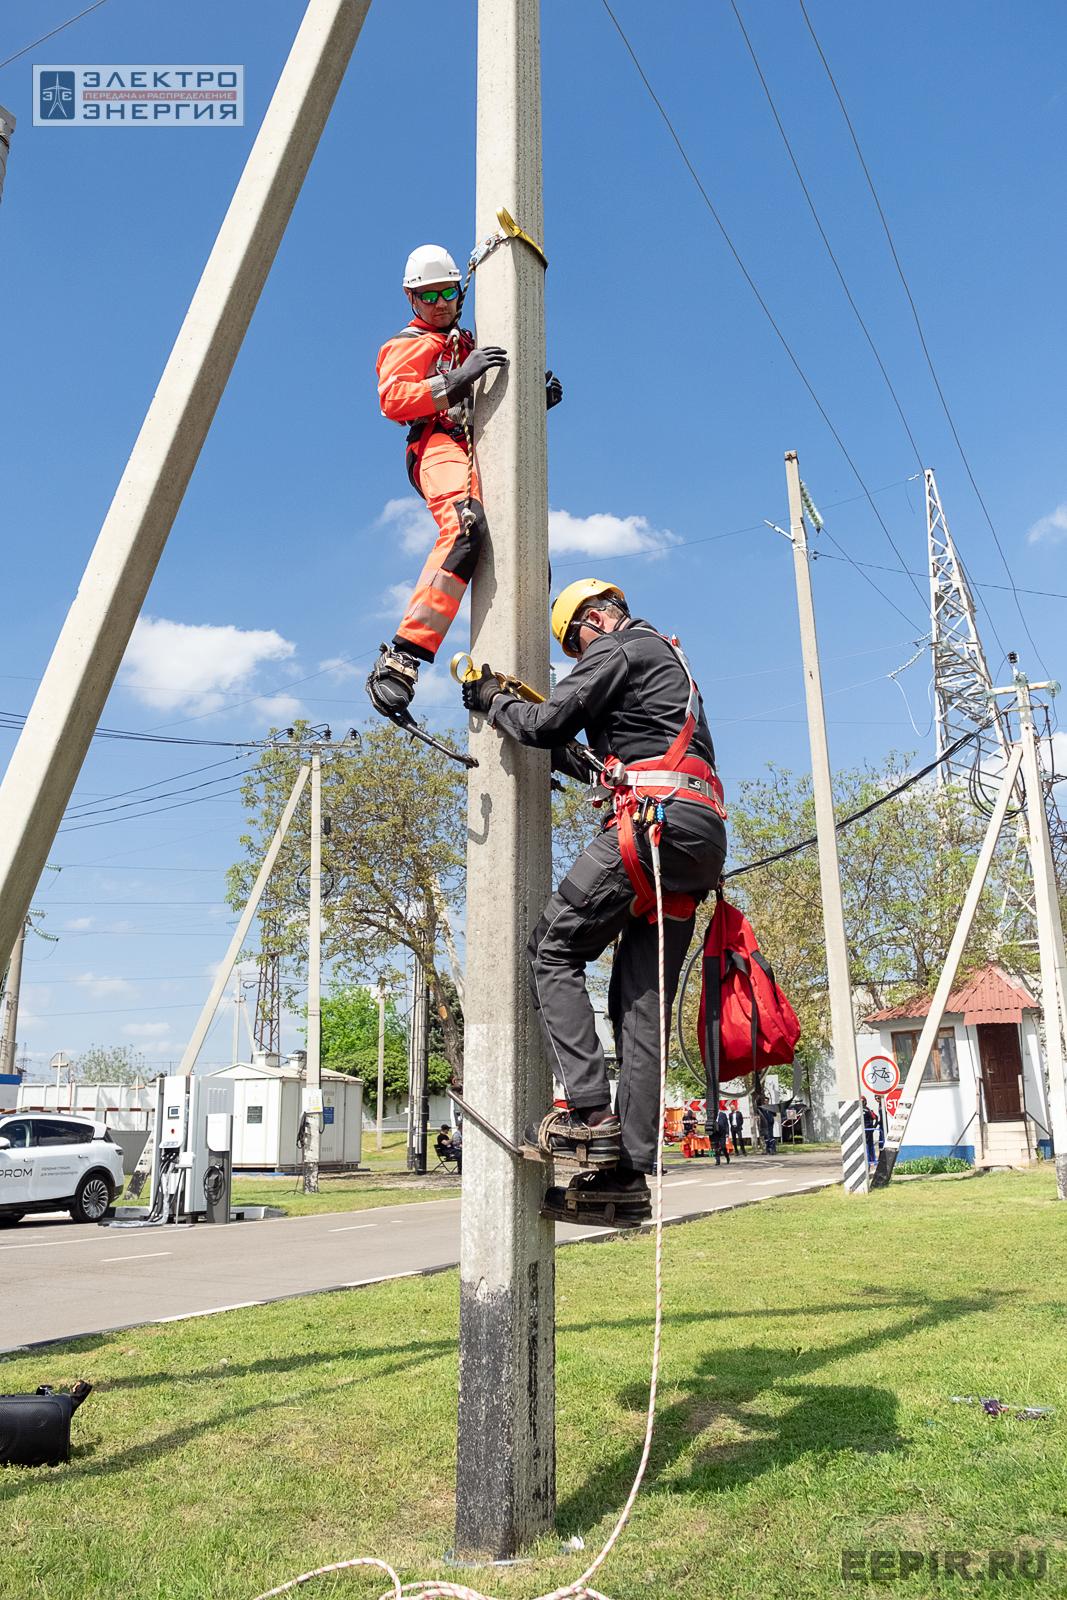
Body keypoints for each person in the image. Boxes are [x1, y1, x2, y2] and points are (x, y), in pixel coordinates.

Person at [461, 578, 727, 1227]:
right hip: (697, 838)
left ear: (596, 618)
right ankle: (623, 1175)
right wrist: (561, 744)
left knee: (552, 949)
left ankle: (588, 1115)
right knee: (639, 1003)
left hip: (653, 826)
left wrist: (492, 699)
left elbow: (546, 722)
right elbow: (598, 759)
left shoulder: (619, 647)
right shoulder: (666, 667)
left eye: (575, 646)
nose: (578, 659)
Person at [367, 244, 563, 719]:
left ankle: (536, 671)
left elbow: (488, 402)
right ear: (411, 298)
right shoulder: (407, 343)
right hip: (437, 443)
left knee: (523, 545)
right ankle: (403, 657)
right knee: (464, 526)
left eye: (447, 293)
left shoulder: (474, 339)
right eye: (428, 295)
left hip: (482, 445)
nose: (439, 303)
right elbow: (394, 400)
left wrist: (531, 400)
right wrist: (458, 378)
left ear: (460, 291)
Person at [712, 1099, 731, 1166]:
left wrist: (727, 1133)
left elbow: (726, 1124)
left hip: (722, 1133)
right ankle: (718, 1161)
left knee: (723, 1147)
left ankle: (727, 1157)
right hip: (715, 1134)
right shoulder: (712, 1116)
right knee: (716, 1148)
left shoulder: (723, 1115)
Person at [863, 1098, 878, 1166]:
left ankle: (871, 1160)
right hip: (864, 1130)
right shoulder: (858, 1109)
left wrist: (874, 1127)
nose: (862, 1103)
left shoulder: (867, 1109)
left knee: (869, 1145)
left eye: (863, 1101)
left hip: (868, 1130)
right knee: (867, 1145)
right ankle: (869, 1161)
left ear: (865, 1102)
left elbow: (875, 1117)